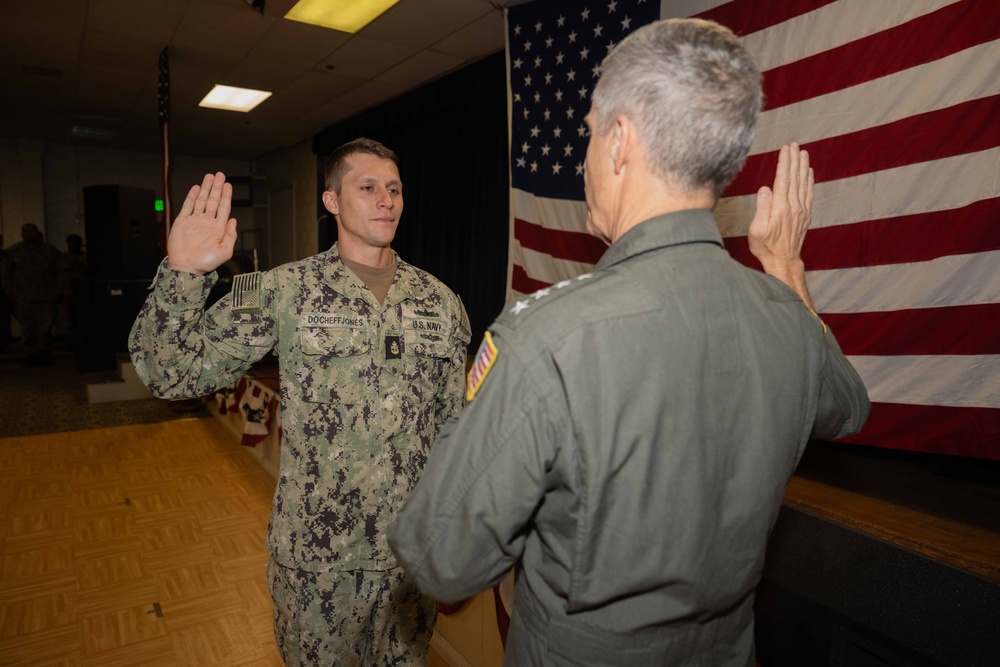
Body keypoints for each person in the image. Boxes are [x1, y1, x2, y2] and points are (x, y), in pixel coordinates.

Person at [388, 19, 871, 667]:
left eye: (588, 131)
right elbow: (850, 404)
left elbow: (440, 557)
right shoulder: (785, 321)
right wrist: (786, 269)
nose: (583, 152)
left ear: (620, 142)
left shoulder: (548, 337)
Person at [129, 137, 471, 665]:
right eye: (368, 187)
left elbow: (455, 429)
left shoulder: (441, 303)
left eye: (395, 189)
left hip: (410, 559)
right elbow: (168, 371)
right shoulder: (281, 290)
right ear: (331, 201)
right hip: (319, 563)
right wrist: (184, 274)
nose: (387, 200)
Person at [1, 223, 61, 366]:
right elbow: (6, 275)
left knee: (45, 328)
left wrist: (57, 293)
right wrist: (10, 293)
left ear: (37, 232)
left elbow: (59, 274)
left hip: (46, 297)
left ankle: (44, 353)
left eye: (32, 232)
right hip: (23, 297)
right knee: (27, 328)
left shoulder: (50, 252)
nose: (29, 235)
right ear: (22, 235)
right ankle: (31, 354)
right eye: (26, 232)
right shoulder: (14, 252)